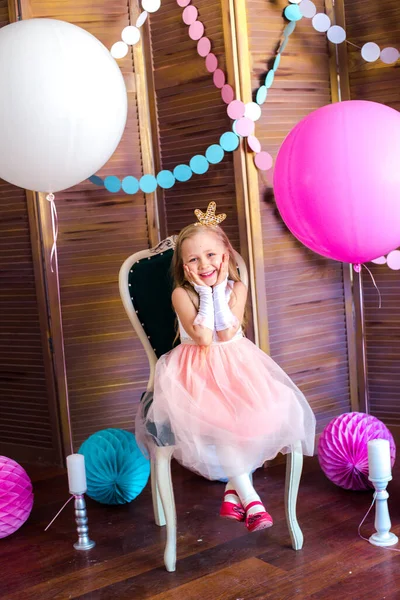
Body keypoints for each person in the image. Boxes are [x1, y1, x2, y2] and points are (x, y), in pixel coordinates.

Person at [136, 202, 316, 533]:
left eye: (210, 255)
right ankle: (250, 497)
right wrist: (205, 293)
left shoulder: (238, 287)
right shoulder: (181, 294)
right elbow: (204, 337)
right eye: (193, 259)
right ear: (184, 266)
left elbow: (228, 331)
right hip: (195, 373)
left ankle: (234, 492)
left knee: (264, 411)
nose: (204, 264)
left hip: (238, 366)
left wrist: (220, 291)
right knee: (219, 418)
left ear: (226, 256)